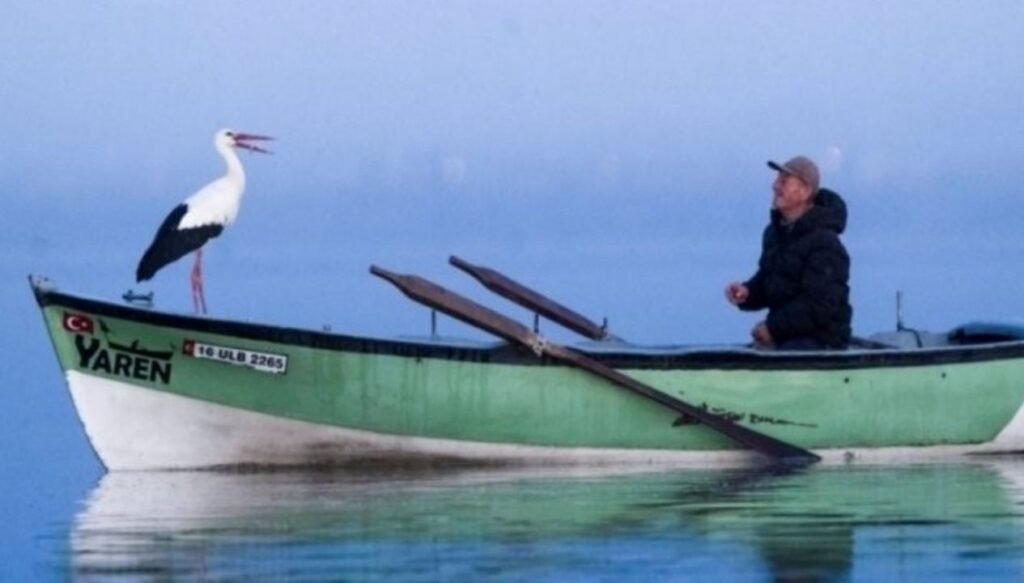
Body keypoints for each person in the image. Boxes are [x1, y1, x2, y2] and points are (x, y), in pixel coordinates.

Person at [725, 156, 851, 350]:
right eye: (777, 180)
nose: (775, 186)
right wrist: (747, 292)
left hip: (822, 342)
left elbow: (821, 306)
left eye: (783, 181)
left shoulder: (825, 243)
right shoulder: (774, 234)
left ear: (805, 191)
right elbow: (770, 278)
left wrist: (773, 328)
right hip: (786, 337)